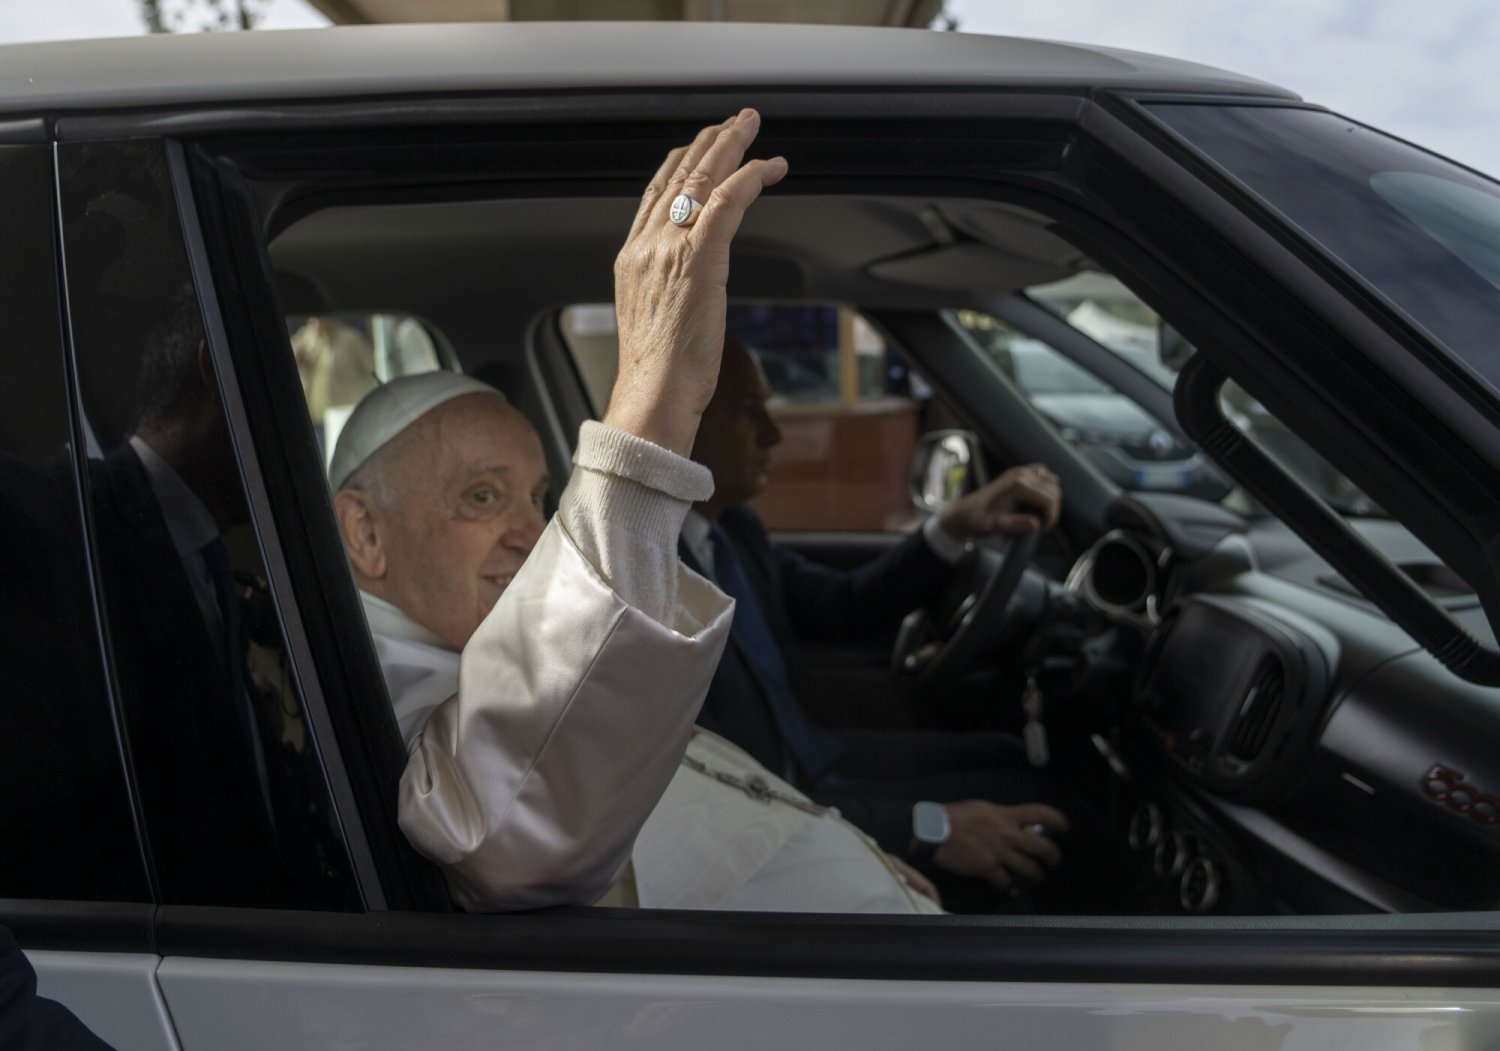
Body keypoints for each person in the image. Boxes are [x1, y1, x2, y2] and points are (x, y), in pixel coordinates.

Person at [331, 371, 942, 912]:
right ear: (365, 532)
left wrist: (850, 849)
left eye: (538, 498)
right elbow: (503, 828)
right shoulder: (378, 705)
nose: (532, 533)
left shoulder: (457, 642)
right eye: (483, 496)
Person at [682, 336, 1074, 896]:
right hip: (777, 813)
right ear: (682, 423)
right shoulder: (647, 580)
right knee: (1048, 806)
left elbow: (845, 606)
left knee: (1018, 761)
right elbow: (717, 801)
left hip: (815, 760)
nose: (773, 433)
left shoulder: (731, 531)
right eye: (749, 410)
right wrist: (927, 827)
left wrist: (955, 524)